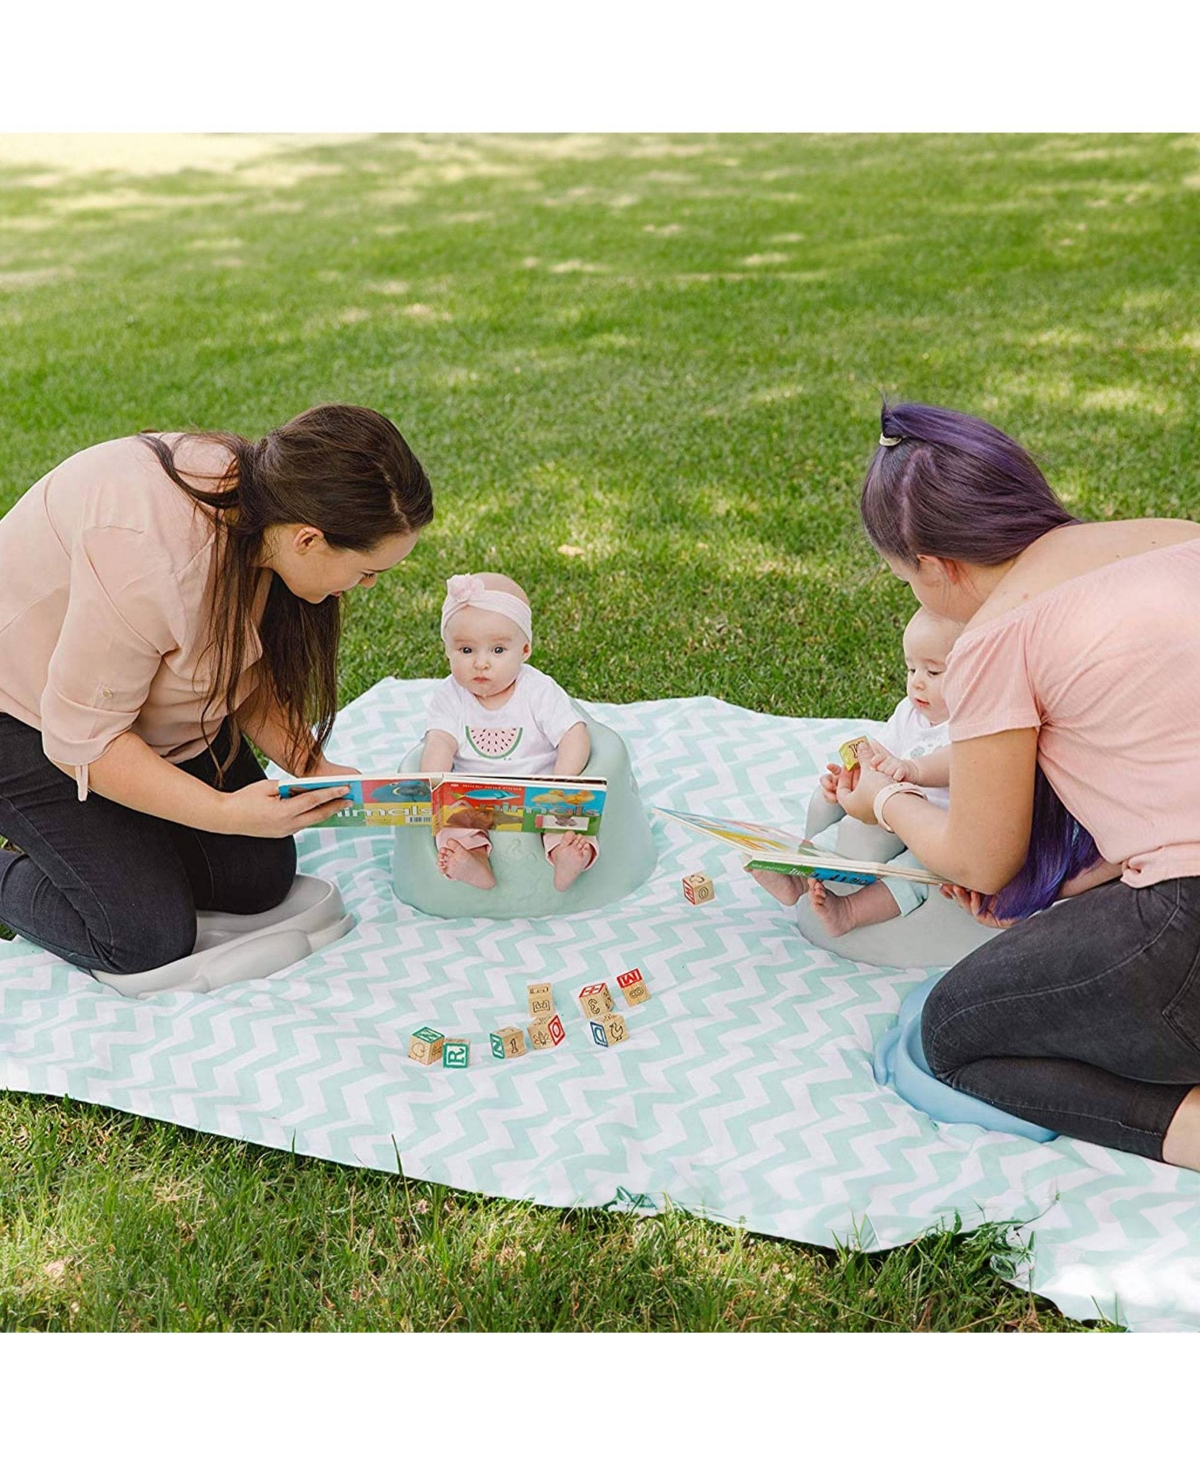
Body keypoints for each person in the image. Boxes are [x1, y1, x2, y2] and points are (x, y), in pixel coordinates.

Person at [833, 400, 1200, 1169]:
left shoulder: (1000, 634)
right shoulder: (1175, 539)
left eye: (905, 578)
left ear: (934, 565)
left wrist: (885, 799)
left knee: (953, 1033)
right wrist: (1091, 875)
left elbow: (979, 862)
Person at [0, 405, 433, 975]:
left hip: (126, 712)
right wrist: (223, 811)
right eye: (367, 570)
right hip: (29, 717)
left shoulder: (267, 511)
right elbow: (87, 741)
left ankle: (91, 843)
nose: (369, 586)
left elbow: (235, 669)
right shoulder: (153, 561)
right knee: (144, 935)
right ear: (309, 538)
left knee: (257, 876)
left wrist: (311, 763)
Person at [752, 606, 959, 936]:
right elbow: (879, 752)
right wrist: (850, 779)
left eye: (933, 673)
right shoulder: (909, 713)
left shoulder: (969, 724)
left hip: (936, 830)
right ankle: (796, 878)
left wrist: (910, 768)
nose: (917, 683)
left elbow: (957, 762)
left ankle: (849, 911)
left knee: (912, 876)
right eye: (910, 670)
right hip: (889, 813)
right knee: (841, 830)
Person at [420, 572, 597, 892]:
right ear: (447, 651)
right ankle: (474, 864)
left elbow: (574, 734)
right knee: (450, 822)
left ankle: (566, 857)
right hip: (476, 798)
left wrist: (562, 781)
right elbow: (438, 743)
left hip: (539, 791)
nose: (481, 663)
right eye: (466, 651)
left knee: (570, 815)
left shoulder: (538, 689)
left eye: (498, 650)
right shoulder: (450, 695)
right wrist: (432, 785)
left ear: (524, 650)